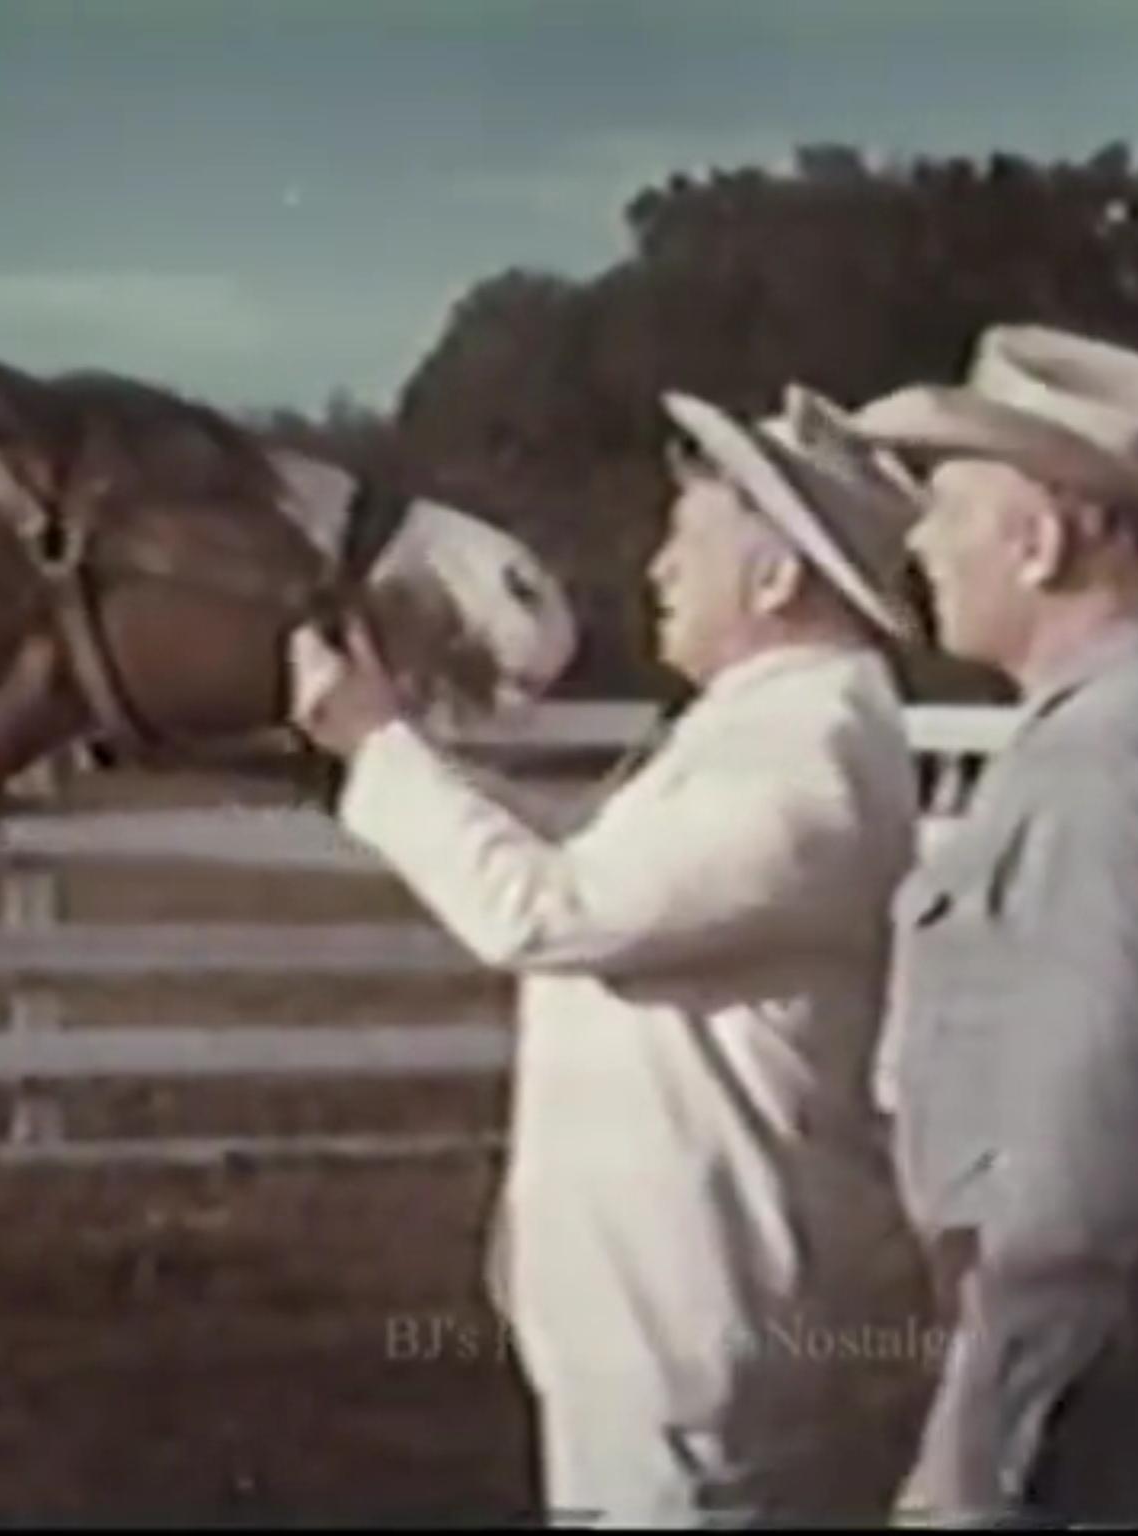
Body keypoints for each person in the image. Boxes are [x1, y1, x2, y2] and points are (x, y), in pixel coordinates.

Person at [286, 385, 933, 1526]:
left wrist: (373, 744)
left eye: (685, 541)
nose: (656, 571)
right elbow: (584, 879)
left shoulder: (804, 761)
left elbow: (544, 909)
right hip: (667, 1323)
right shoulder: (764, 730)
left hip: (701, 1337)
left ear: (775, 579)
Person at [850, 324, 1138, 1523]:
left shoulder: (1105, 759)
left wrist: (972, 1443)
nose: (916, 541)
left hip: (1092, 1350)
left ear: (1041, 538)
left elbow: (1074, 1151)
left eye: (945, 506)